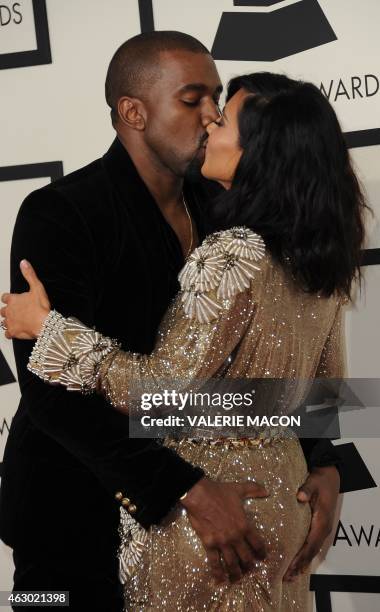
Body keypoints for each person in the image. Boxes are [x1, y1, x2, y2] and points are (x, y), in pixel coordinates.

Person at [1, 72, 366, 610]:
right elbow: (49, 396)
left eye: (219, 107)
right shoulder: (62, 210)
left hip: (223, 519)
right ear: (134, 112)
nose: (210, 117)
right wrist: (181, 486)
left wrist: (327, 464)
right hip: (73, 510)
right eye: (194, 100)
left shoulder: (229, 222)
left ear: (261, 153)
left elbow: (172, 395)